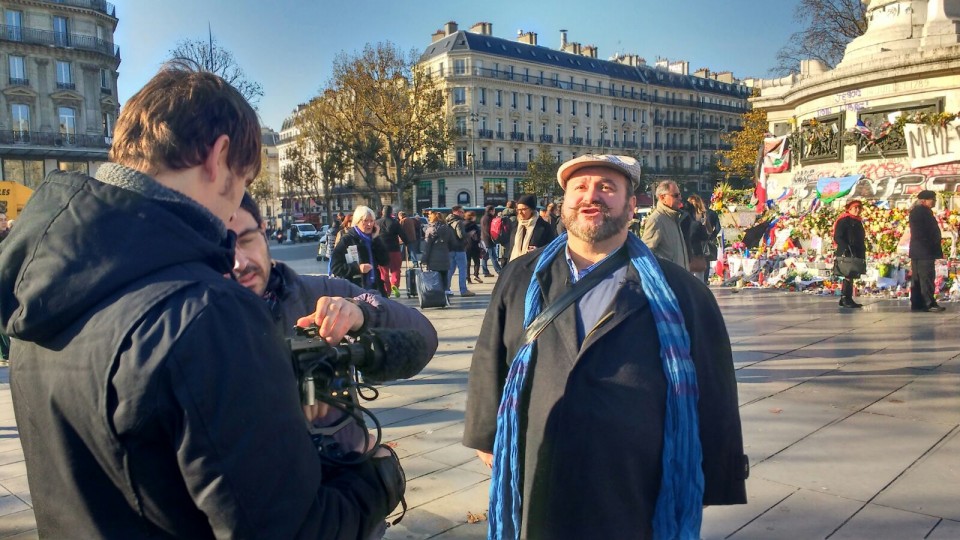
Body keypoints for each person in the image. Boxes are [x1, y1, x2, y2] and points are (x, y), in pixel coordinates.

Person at [0, 62, 401, 538]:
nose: (236, 209)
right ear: (219, 156)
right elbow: (290, 529)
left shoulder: (36, 290)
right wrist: (377, 479)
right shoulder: (206, 311)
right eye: (244, 181)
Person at [463, 154, 747, 539]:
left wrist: (712, 475)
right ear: (565, 203)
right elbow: (489, 354)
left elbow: (714, 388)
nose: (591, 196)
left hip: (634, 477)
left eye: (607, 188)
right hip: (540, 461)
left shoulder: (682, 291)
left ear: (631, 207)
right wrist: (485, 434)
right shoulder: (521, 275)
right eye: (579, 187)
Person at [332, 206, 389, 296]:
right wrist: (357, 268)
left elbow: (385, 261)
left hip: (375, 289)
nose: (369, 224)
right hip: (355, 290)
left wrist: (376, 239)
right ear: (357, 222)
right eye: (365, 221)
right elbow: (335, 267)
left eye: (372, 221)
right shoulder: (347, 240)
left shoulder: (373, 239)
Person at [909, 190, 945, 312]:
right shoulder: (921, 212)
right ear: (924, 200)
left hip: (919, 250)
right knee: (926, 278)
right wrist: (932, 243)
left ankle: (918, 303)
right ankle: (928, 303)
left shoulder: (919, 211)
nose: (934, 201)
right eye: (932, 199)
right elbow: (924, 232)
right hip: (924, 250)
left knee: (918, 278)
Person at [642, 180, 689, 268]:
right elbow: (645, 254)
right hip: (668, 275)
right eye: (676, 195)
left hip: (680, 274)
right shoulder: (656, 220)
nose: (680, 198)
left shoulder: (674, 217)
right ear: (662, 197)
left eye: (680, 194)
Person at [833, 199, 866, 309]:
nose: (857, 210)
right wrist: (846, 247)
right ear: (849, 209)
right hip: (846, 252)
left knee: (851, 275)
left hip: (855, 251)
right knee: (848, 274)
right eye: (855, 208)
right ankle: (845, 298)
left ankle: (846, 298)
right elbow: (838, 236)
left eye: (859, 208)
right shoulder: (844, 220)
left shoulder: (857, 221)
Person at [505, 194, 556, 264]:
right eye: (518, 209)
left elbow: (552, 248)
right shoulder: (515, 225)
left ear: (531, 209)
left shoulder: (544, 227)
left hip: (534, 266)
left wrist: (538, 251)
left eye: (523, 209)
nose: (520, 212)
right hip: (515, 266)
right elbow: (510, 249)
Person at [375, 205, 407, 298]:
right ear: (391, 212)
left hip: (381, 250)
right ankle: (394, 284)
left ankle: (386, 291)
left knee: (383, 272)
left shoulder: (377, 222)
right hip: (394, 249)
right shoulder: (395, 222)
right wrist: (407, 242)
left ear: (382, 212)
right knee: (396, 269)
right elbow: (402, 234)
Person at [445, 205, 475, 297]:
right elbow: (461, 235)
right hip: (459, 249)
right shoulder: (459, 222)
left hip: (450, 249)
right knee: (462, 270)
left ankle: (446, 289)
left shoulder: (448, 221)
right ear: (457, 212)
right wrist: (469, 234)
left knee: (450, 270)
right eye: (462, 212)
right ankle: (463, 290)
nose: (463, 214)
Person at [680, 195, 710, 280]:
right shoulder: (697, 224)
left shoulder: (678, 224)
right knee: (699, 277)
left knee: (687, 277)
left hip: (683, 252)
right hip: (696, 252)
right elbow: (705, 236)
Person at [421, 211, 454, 289]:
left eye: (429, 216)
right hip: (445, 257)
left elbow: (427, 246)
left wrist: (424, 259)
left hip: (433, 258)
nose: (428, 217)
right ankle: (445, 292)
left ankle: (436, 293)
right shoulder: (448, 229)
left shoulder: (430, 229)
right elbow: (453, 243)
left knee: (435, 279)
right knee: (444, 276)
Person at [463, 210, 484, 284]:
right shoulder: (474, 225)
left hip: (465, 245)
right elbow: (477, 236)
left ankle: (468, 278)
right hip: (474, 245)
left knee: (467, 262)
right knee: (477, 261)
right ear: (472, 217)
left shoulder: (463, 224)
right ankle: (476, 275)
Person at [479, 205, 500, 276]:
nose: (494, 212)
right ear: (491, 211)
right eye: (494, 211)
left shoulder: (484, 217)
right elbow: (488, 230)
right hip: (488, 240)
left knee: (485, 257)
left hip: (484, 239)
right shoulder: (489, 218)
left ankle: (485, 272)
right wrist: (493, 238)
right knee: (493, 256)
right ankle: (499, 271)